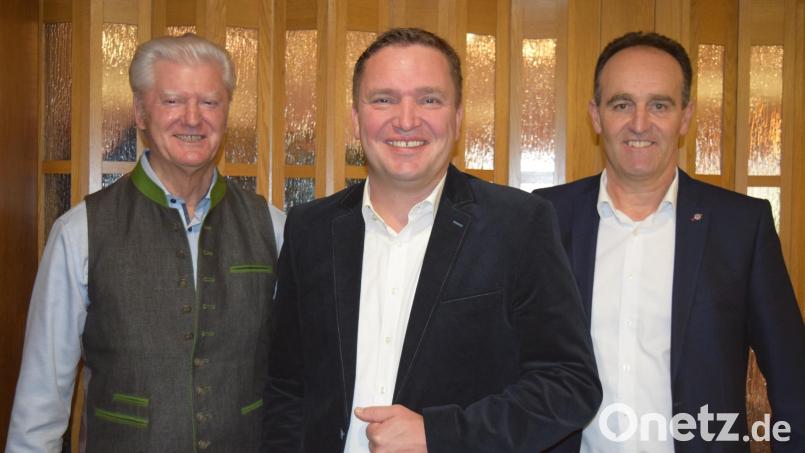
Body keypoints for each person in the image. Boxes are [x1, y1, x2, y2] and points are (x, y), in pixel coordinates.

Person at [263, 27, 601, 453]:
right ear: (355, 118)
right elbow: (286, 388)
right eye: (384, 99)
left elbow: (569, 384)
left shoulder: (518, 224)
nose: (406, 120)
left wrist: (441, 435)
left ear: (458, 118)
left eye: (429, 99)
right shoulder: (309, 228)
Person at [6, 33, 284, 452]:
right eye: (172, 100)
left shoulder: (274, 227)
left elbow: (297, 380)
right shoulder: (79, 232)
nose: (192, 119)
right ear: (140, 112)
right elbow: (41, 402)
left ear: (226, 112)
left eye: (210, 102)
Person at [535, 31, 805, 452]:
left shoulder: (741, 226)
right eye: (621, 104)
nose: (639, 124)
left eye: (658, 105)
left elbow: (793, 378)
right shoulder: (543, 218)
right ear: (595, 115)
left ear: (684, 117)